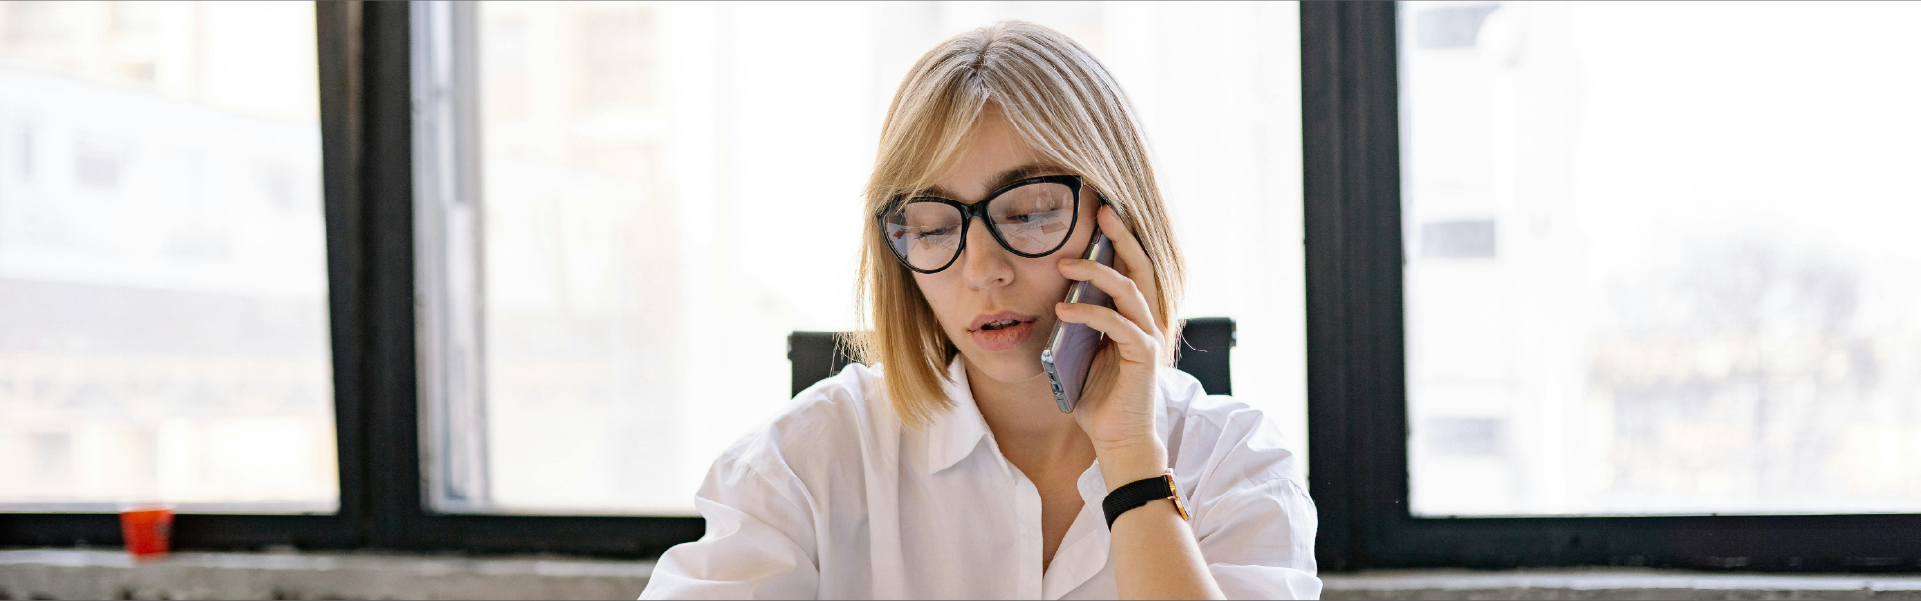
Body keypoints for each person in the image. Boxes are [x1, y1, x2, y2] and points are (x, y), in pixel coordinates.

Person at [640, 21, 1318, 600]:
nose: (982, 269)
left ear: (1119, 227)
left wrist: (1131, 461)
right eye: (934, 227)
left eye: (1027, 213)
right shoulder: (803, 460)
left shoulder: (1236, 462)